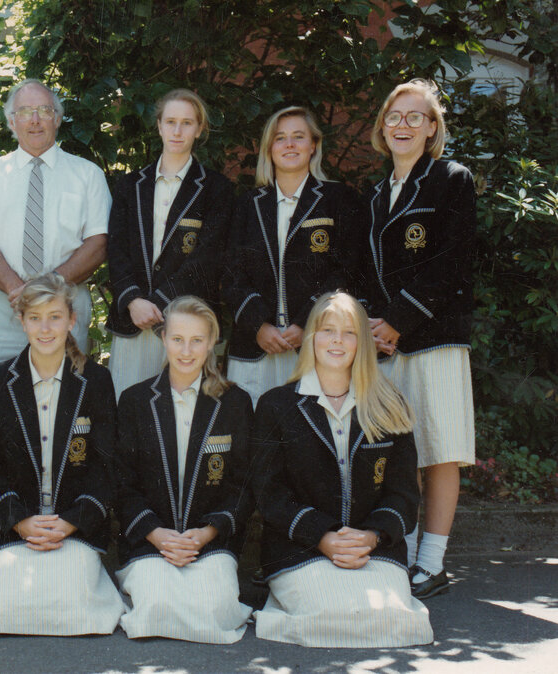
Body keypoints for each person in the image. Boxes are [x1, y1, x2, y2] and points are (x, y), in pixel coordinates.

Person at [252, 292, 433, 647]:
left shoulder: (389, 404)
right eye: (327, 330)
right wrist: (324, 537)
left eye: (349, 332)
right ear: (310, 338)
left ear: (362, 342)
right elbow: (269, 494)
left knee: (396, 622)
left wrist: (372, 536)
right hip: (302, 547)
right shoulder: (276, 405)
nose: (337, 340)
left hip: (373, 549)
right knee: (327, 617)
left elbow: (405, 494)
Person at [0, 273, 124, 635]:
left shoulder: (96, 381)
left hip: (72, 525)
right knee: (13, 600)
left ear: (72, 320)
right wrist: (21, 521)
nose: (45, 329)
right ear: (21, 320)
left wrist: (70, 522)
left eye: (55, 317)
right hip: (13, 525)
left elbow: (105, 466)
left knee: (71, 600)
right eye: (35, 318)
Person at [364, 78, 476, 599]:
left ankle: (431, 563)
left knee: (439, 451)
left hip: (433, 339)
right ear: (382, 128)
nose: (403, 125)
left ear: (432, 128)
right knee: (399, 452)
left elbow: (450, 264)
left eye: (415, 117)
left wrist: (397, 321)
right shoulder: (375, 192)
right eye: (394, 117)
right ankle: (400, 554)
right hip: (384, 345)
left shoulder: (452, 179)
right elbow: (364, 272)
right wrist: (373, 326)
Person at [114, 296, 254, 643]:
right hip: (150, 540)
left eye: (197, 340)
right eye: (177, 339)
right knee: (157, 605)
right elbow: (122, 483)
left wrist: (207, 533)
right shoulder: (134, 401)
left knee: (212, 606)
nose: (186, 351)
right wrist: (156, 533)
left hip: (209, 541)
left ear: (212, 342)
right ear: (163, 339)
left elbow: (243, 485)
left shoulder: (235, 403)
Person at [0, 78, 111, 368]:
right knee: (3, 396)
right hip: (6, 307)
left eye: (43, 110)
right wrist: (17, 288)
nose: (35, 120)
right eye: (25, 111)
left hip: (65, 307)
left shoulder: (87, 174)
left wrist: (47, 289)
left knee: (66, 394)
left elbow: (99, 242)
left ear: (57, 118)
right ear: (11, 122)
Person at [222, 106, 364, 407]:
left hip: (315, 345)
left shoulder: (337, 199)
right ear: (269, 148)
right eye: (280, 138)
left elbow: (346, 271)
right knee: (251, 438)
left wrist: (305, 324)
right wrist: (259, 325)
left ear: (313, 145)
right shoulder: (248, 204)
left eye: (298, 137)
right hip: (254, 347)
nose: (289, 144)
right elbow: (231, 275)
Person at [107, 89, 234, 398]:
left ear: (200, 128)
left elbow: (209, 257)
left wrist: (162, 301)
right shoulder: (130, 185)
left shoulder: (216, 188)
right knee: (128, 408)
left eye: (187, 123)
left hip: (187, 323)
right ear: (159, 125)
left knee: (186, 411)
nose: (178, 131)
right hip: (134, 320)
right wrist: (134, 301)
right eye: (171, 121)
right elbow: (116, 249)